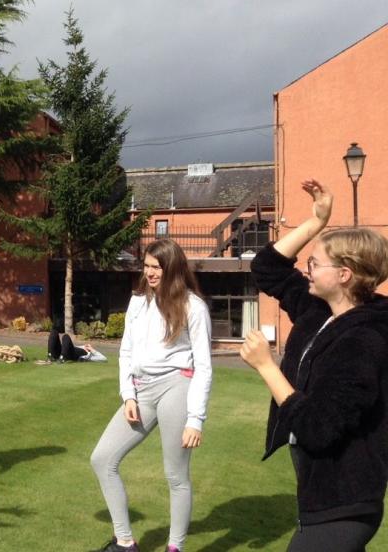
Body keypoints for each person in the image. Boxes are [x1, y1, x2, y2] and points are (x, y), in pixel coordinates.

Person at [240, 179, 388, 552]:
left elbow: (317, 428)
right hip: (321, 490)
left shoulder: (364, 340)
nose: (306, 270)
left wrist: (267, 367)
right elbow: (267, 269)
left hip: (345, 499)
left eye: (314, 263)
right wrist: (315, 224)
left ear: (344, 275)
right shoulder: (318, 311)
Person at [89, 239, 213, 552]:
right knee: (102, 459)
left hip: (177, 387)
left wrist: (195, 420)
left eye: (156, 267)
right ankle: (126, 543)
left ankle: (175, 547)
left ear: (172, 268)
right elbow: (126, 351)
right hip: (140, 391)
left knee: (175, 475)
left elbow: (204, 366)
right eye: (146, 266)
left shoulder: (193, 307)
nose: (149, 272)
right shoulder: (138, 301)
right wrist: (128, 394)